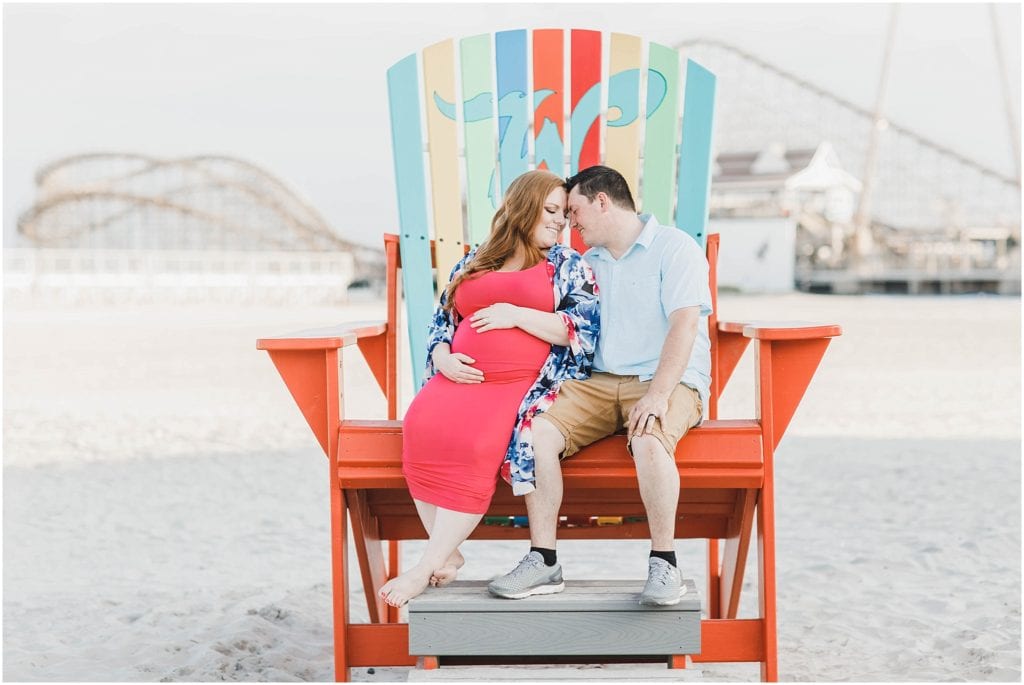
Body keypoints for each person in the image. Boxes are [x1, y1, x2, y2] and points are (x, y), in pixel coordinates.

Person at [488, 165, 711, 606]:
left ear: (602, 201)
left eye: (574, 211)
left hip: (663, 379)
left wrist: (658, 395)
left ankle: (665, 562)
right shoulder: (583, 264)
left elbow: (684, 326)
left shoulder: (674, 247)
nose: (570, 223)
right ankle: (544, 560)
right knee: (533, 434)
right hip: (595, 383)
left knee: (648, 437)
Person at [379, 169, 600, 608]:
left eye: (564, 214)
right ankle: (449, 551)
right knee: (419, 424)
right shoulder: (476, 261)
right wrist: (442, 356)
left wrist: (515, 314)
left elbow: (584, 328)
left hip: (519, 386)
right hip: (455, 379)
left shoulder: (567, 265)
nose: (560, 222)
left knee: (479, 445)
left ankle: (425, 567)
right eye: (551, 210)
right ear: (523, 208)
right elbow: (443, 320)